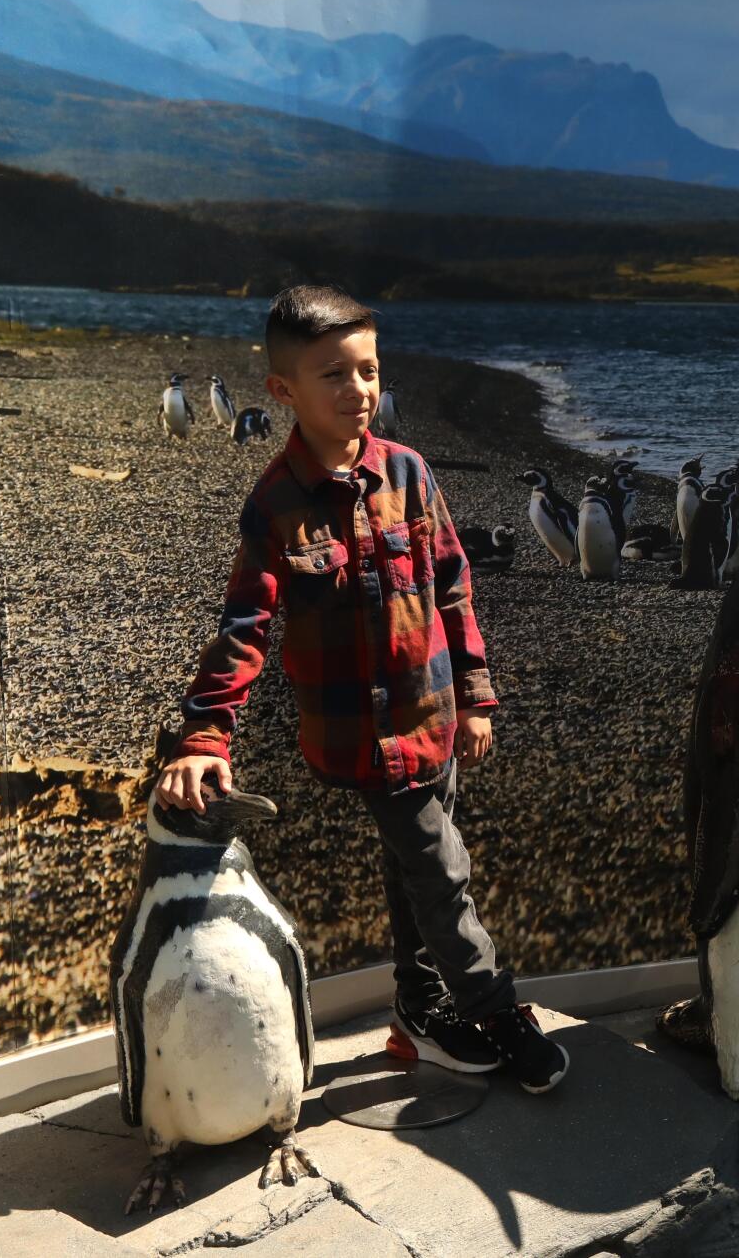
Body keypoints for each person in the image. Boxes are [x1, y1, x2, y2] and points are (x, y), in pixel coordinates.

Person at [155, 284, 569, 1092]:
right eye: (334, 375)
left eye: (369, 371)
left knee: (416, 874)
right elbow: (246, 625)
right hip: (367, 740)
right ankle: (496, 1010)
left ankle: (419, 1015)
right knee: (441, 872)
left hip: (438, 719)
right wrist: (205, 733)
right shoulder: (275, 503)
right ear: (283, 392)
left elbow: (453, 589)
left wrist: (478, 697)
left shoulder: (410, 475)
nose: (359, 391)